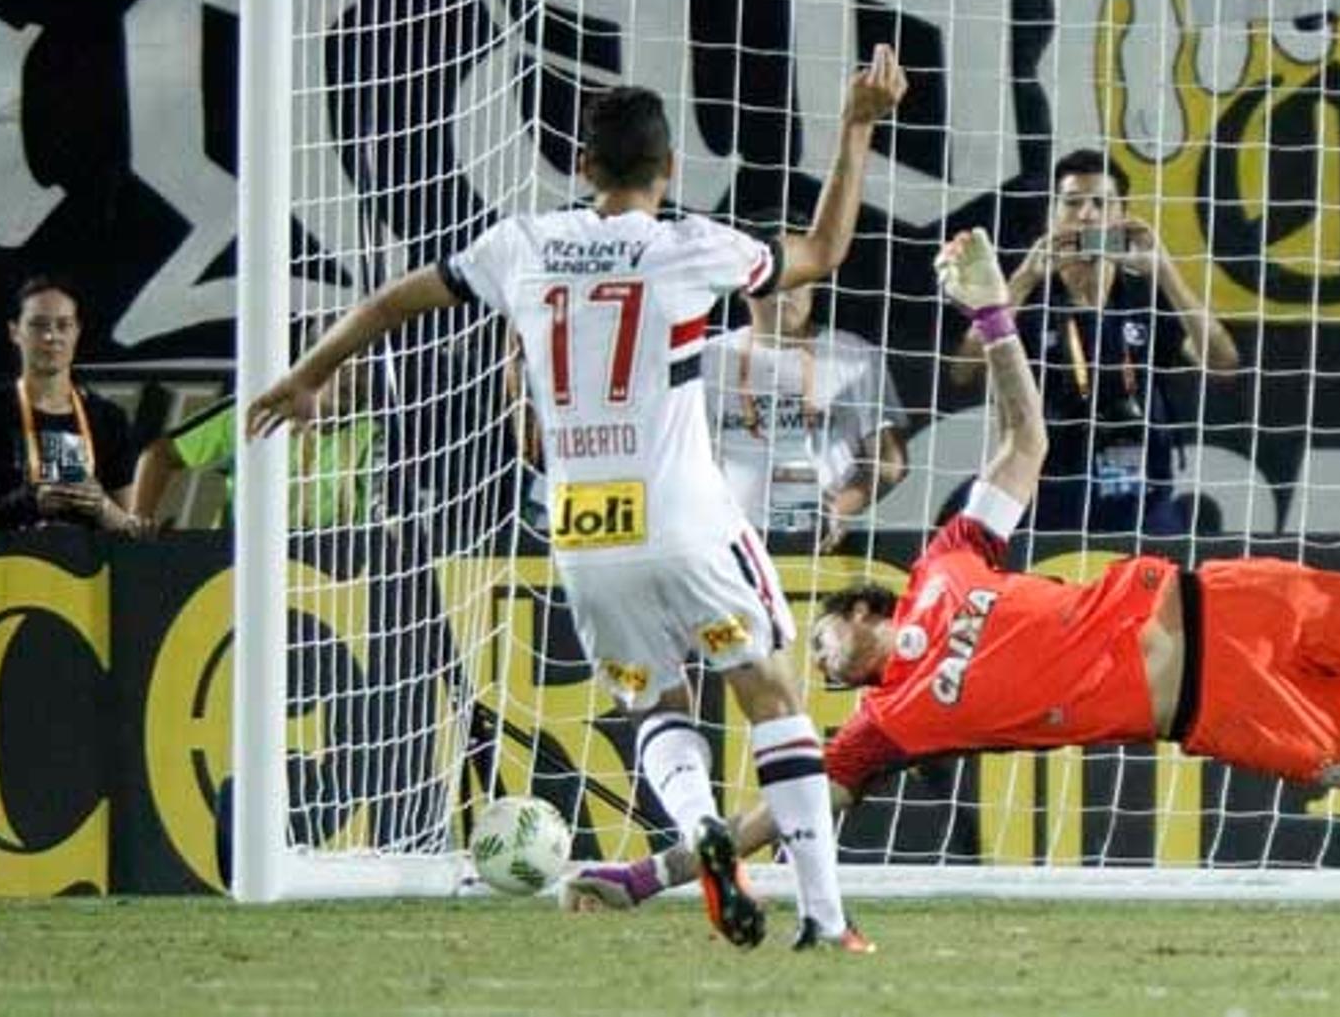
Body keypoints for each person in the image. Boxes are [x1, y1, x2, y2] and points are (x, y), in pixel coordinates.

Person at [566, 227, 1340, 925]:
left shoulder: (946, 560)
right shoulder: (882, 733)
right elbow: (791, 810)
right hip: (1219, 709)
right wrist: (655, 869)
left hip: (1223, 595)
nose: (815, 665)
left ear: (864, 611)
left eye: (820, 641)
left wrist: (992, 314)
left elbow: (1021, 442)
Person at [249, 47, 908, 952]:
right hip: (683, 512)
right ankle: (827, 919)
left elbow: (394, 302)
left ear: (584, 166)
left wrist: (309, 374)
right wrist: (858, 124)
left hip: (583, 523)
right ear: (669, 168)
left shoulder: (521, 244)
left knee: (654, 703)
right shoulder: (689, 245)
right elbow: (825, 253)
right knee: (769, 692)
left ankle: (698, 826)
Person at [950, 148, 1238, 536]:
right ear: (1052, 215)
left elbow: (1222, 361)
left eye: (1101, 203)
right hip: (1042, 495)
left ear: (1122, 216)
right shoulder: (1027, 296)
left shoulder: (1143, 295)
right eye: (1072, 203)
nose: (1086, 214)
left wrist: (1166, 272)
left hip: (1139, 498)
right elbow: (962, 370)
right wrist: (1022, 280)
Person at [702, 215, 907, 552]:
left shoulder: (852, 353)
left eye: (797, 279)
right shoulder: (710, 358)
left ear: (817, 280)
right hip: (731, 543)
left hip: (829, 544)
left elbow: (890, 460)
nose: (785, 294)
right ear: (742, 285)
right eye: (774, 280)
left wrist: (842, 506)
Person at [132, 319, 380, 528]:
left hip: (330, 575)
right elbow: (160, 454)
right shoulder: (253, 412)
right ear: (311, 365)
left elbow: (382, 511)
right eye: (343, 362)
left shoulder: (375, 432)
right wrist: (139, 523)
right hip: (239, 567)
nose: (355, 374)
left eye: (365, 364)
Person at [0, 275, 142, 535]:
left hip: (84, 573)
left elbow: (131, 530)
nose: (51, 336)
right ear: (15, 332)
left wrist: (101, 506)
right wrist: (17, 506)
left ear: (77, 331)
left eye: (63, 325)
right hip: (3, 570)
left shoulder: (107, 418)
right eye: (38, 325)